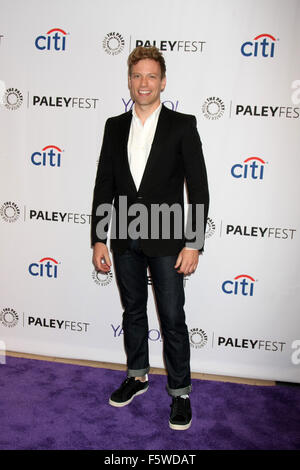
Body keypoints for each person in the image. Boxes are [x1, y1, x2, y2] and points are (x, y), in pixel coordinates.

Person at [91, 46, 209, 430]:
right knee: (133, 312)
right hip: (125, 237)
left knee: (173, 319)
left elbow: (200, 188)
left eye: (151, 76)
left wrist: (193, 242)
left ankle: (180, 393)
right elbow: (104, 185)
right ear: (129, 80)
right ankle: (137, 375)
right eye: (137, 76)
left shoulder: (182, 125)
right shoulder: (113, 126)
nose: (144, 83)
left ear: (162, 81)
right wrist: (98, 238)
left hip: (169, 239)